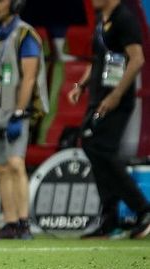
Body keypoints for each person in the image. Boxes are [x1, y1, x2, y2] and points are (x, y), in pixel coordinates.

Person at [68, 0, 150, 239]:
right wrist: (80, 85)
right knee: (92, 147)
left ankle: (143, 209)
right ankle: (109, 218)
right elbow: (98, 59)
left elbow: (137, 59)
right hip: (98, 97)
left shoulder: (125, 19)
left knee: (102, 149)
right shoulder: (102, 21)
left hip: (116, 100)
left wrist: (116, 95)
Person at [0, 0, 49, 239]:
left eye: (1, 1)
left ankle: (24, 222)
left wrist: (19, 112)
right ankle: (10, 222)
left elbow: (29, 78)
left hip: (15, 113)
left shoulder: (26, 35)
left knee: (16, 164)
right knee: (1, 168)